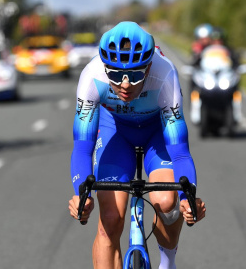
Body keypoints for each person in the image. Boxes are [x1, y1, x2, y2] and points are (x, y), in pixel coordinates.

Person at [69, 21, 206, 269]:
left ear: (149, 66)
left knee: (166, 201)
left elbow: (180, 153)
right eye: (115, 74)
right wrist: (82, 194)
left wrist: (188, 198)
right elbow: (82, 147)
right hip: (116, 131)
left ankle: (168, 261)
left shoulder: (165, 73)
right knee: (109, 219)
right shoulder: (91, 75)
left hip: (157, 132)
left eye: (134, 75)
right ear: (104, 67)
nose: (124, 85)